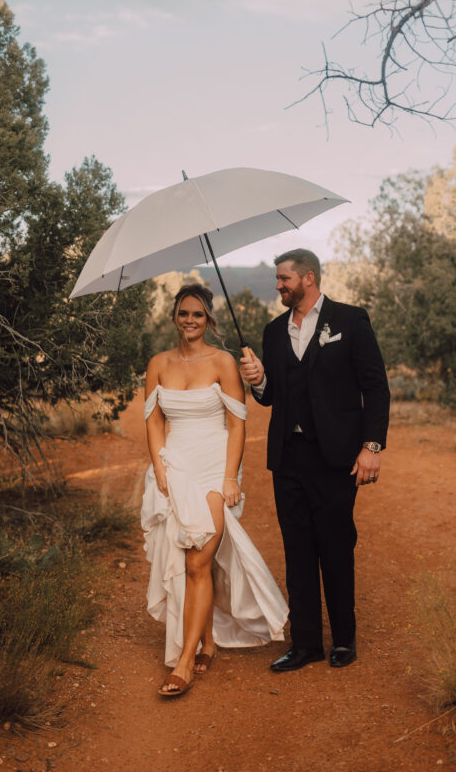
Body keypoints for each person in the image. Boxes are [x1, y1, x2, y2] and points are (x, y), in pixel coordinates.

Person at [240, 249, 390, 673]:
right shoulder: (273, 331)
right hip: (288, 458)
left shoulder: (349, 320)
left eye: (284, 278)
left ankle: (344, 639)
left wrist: (371, 447)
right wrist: (259, 379)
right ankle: (305, 643)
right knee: (297, 550)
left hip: (336, 457)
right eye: (277, 279)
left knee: (337, 546)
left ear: (308, 278)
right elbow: (271, 397)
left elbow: (376, 389)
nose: (279, 285)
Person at [140, 284, 288, 698]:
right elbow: (152, 420)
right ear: (174, 317)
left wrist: (229, 478)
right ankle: (206, 642)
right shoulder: (158, 364)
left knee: (197, 561)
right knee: (187, 558)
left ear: (210, 320)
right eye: (184, 314)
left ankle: (183, 664)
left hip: (213, 466)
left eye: (198, 315)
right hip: (175, 465)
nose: (190, 321)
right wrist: (158, 466)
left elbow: (238, 423)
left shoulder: (223, 362)